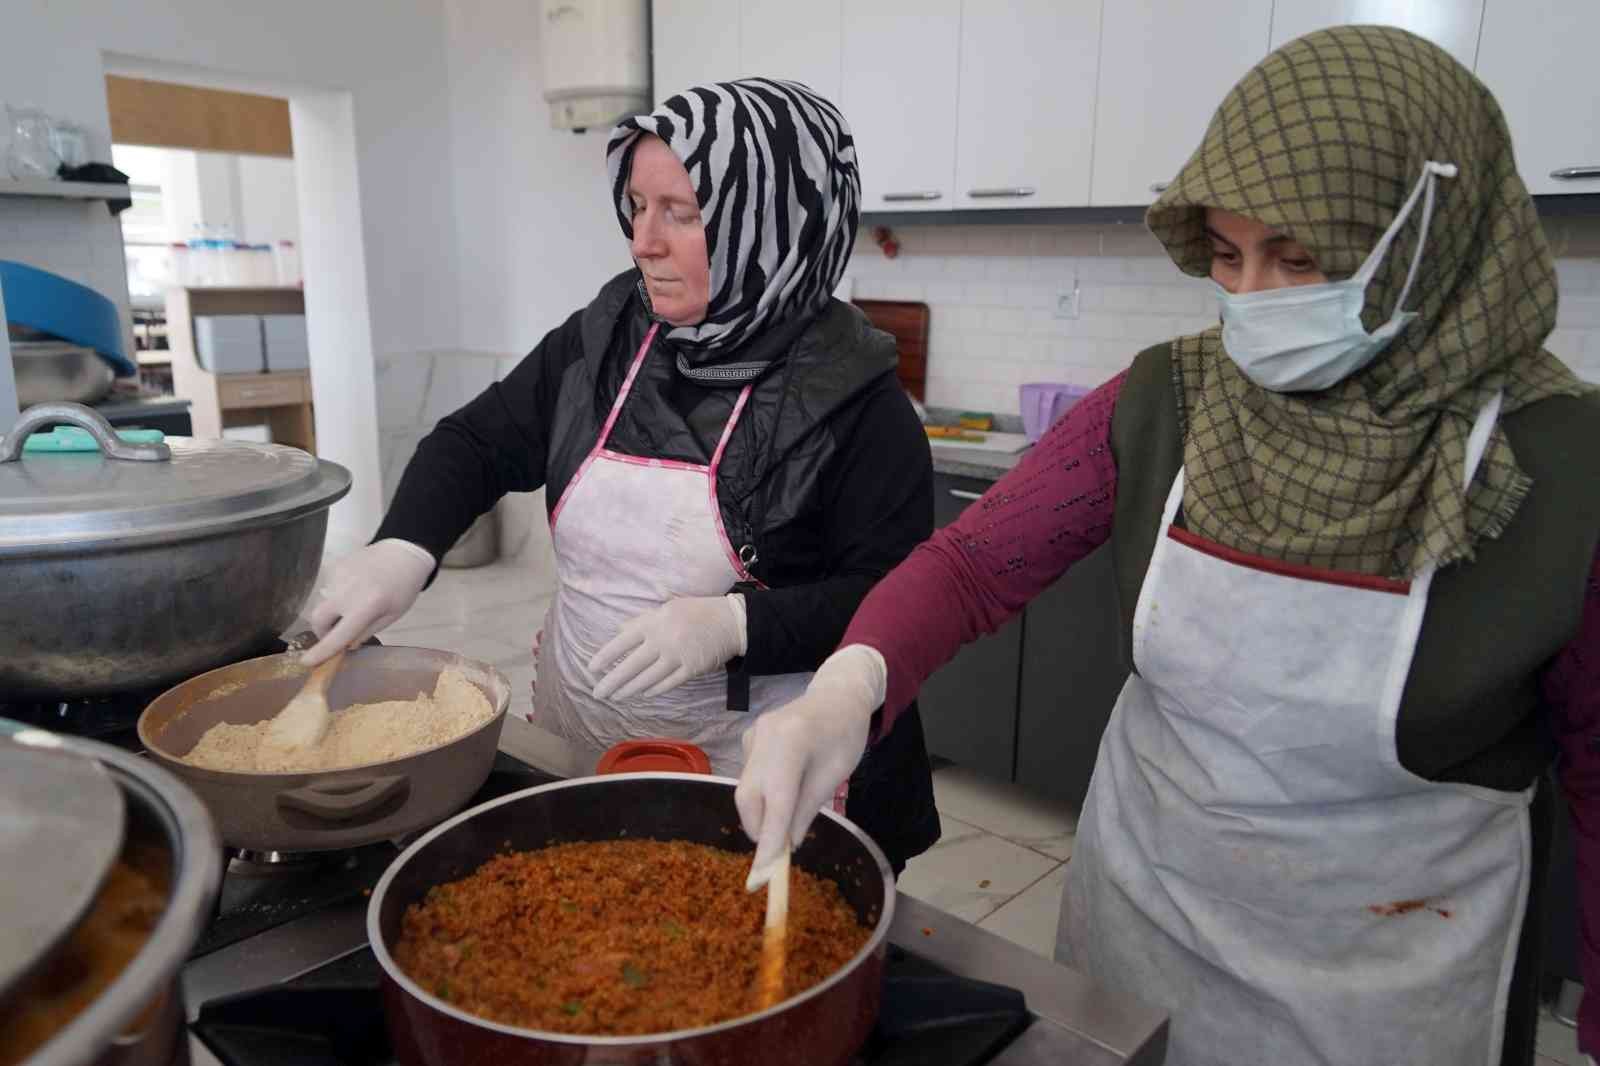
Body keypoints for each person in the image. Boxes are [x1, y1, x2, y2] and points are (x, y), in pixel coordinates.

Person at [735, 26, 1600, 1066]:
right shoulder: (1171, 399)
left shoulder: (1560, 467)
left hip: (1394, 974)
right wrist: (850, 683)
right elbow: (970, 566)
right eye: (1228, 257)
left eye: (1301, 257)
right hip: (1150, 918)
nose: (1253, 297)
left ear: (1427, 235)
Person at [303, 78, 941, 873]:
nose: (644, 240)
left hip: (767, 769)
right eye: (638, 206)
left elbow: (897, 600)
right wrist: (404, 545)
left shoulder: (861, 405)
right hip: (587, 740)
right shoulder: (607, 338)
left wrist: (734, 627)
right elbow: (476, 441)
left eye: (683, 212)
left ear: (771, 224)